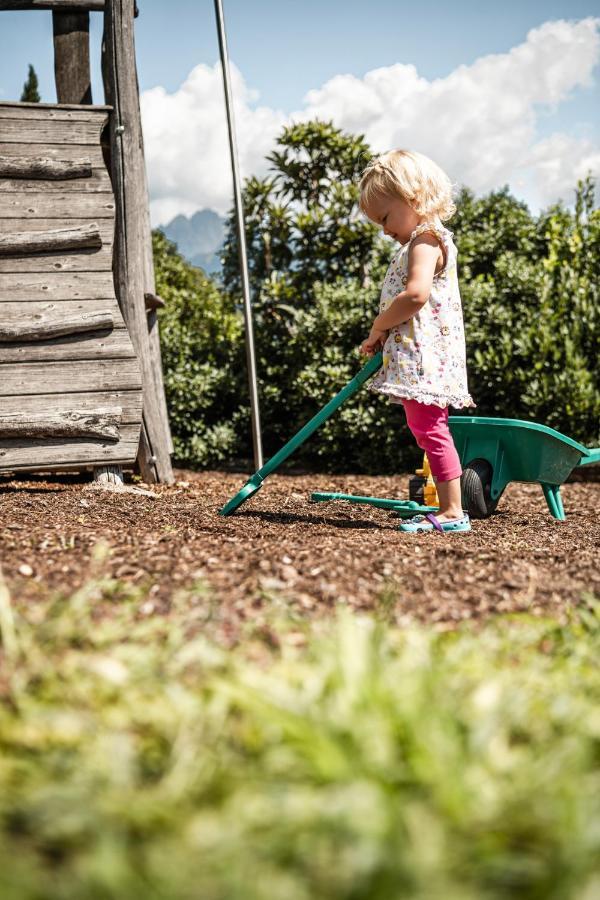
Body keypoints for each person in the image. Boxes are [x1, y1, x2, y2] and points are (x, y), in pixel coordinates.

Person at [358, 149, 475, 534]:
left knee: (430, 428)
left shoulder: (426, 240)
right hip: (421, 355)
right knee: (426, 427)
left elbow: (415, 295)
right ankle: (449, 507)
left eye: (386, 217)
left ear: (413, 198)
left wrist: (379, 325)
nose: (384, 229)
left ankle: (452, 511)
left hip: (427, 358)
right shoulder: (420, 241)